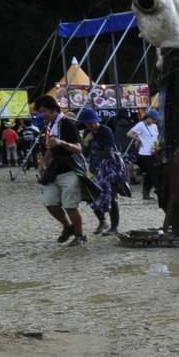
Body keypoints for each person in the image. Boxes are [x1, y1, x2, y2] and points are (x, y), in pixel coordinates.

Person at [33, 94, 87, 245]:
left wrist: (62, 142)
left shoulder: (67, 124)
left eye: (45, 111)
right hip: (54, 170)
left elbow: (78, 149)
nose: (42, 114)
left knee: (70, 205)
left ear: (54, 110)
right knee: (50, 202)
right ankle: (68, 227)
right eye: (41, 111)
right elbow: (51, 146)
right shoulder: (50, 125)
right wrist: (44, 163)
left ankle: (80, 235)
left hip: (70, 169)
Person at [79, 107, 127, 237]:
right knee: (91, 196)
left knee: (111, 197)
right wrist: (86, 141)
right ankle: (102, 220)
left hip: (109, 169)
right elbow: (84, 153)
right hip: (94, 168)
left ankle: (114, 226)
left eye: (91, 122)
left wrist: (93, 150)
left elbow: (107, 153)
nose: (89, 124)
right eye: (87, 123)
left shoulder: (105, 131)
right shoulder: (87, 132)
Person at [128, 109, 161, 200]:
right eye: (154, 119)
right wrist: (138, 140)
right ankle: (159, 190)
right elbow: (129, 134)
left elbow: (155, 137)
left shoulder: (154, 126)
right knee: (154, 172)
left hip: (154, 151)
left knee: (149, 174)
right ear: (148, 117)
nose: (155, 121)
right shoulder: (141, 125)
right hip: (145, 153)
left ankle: (146, 192)